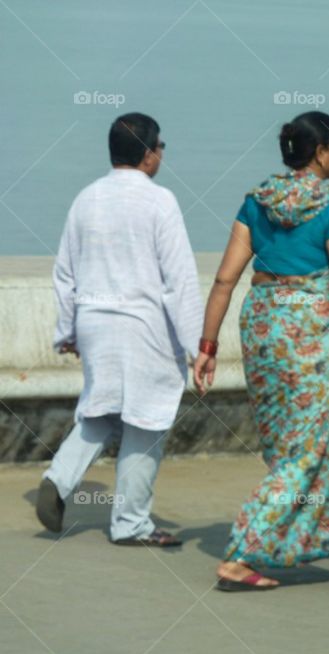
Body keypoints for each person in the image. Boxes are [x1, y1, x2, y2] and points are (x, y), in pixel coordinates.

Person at [193, 111, 329, 591]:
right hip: (306, 329)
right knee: (303, 449)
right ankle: (242, 555)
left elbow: (225, 278)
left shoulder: (257, 200)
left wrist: (206, 346)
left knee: (301, 441)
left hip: (262, 324)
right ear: (322, 151)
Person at [36, 113, 202, 546]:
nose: (162, 153)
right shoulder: (159, 201)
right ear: (148, 155)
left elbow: (64, 274)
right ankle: (131, 524)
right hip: (142, 327)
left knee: (102, 410)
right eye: (160, 146)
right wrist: (197, 344)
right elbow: (178, 280)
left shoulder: (85, 198)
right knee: (145, 423)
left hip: (94, 323)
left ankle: (59, 478)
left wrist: (67, 329)